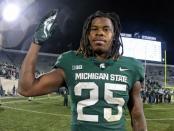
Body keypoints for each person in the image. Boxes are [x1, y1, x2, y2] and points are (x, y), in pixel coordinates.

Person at [18, 10, 147, 131]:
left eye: (106, 29)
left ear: (114, 35)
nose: (100, 33)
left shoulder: (131, 66)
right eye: (94, 29)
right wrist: (36, 42)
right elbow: (26, 89)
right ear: (88, 35)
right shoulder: (70, 61)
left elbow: (137, 116)